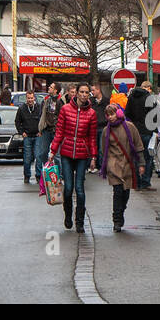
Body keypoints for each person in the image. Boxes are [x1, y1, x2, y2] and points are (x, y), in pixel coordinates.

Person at [47, 83, 98, 233]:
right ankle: (68, 215)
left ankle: (80, 221)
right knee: (68, 188)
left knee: (80, 189)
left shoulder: (91, 114)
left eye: (86, 92)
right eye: (81, 92)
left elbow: (92, 137)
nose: (83, 94)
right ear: (76, 94)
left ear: (89, 94)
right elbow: (59, 132)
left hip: (82, 154)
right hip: (67, 153)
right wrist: (52, 151)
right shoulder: (65, 109)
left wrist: (94, 156)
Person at [99, 102, 141, 232]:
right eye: (108, 115)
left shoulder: (130, 127)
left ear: (118, 113)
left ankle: (121, 211)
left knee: (125, 193)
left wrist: (142, 163)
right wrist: (105, 164)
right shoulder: (106, 130)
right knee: (117, 192)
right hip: (114, 164)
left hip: (128, 164)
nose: (110, 117)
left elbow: (138, 144)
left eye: (112, 114)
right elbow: (103, 148)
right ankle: (116, 219)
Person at [125, 80, 159, 189]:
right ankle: (145, 181)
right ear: (148, 88)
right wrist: (155, 131)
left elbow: (127, 114)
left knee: (135, 156)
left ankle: (136, 182)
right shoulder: (149, 98)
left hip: (134, 131)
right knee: (147, 157)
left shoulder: (131, 97)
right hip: (147, 131)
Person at [36, 82, 62, 195]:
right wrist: (40, 129)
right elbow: (42, 116)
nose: (49, 88)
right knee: (42, 153)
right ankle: (48, 173)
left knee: (57, 155)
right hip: (46, 130)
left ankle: (59, 176)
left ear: (56, 90)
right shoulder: (46, 101)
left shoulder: (61, 102)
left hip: (56, 131)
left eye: (51, 87)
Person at [16, 91, 43, 185]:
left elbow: (43, 120)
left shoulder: (39, 107)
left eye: (31, 98)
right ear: (26, 98)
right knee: (27, 158)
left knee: (38, 156)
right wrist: (22, 132)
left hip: (37, 136)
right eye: (28, 98)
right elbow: (17, 122)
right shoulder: (22, 108)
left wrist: (41, 131)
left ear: (34, 98)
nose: (30, 100)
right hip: (27, 136)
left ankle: (38, 176)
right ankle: (27, 176)